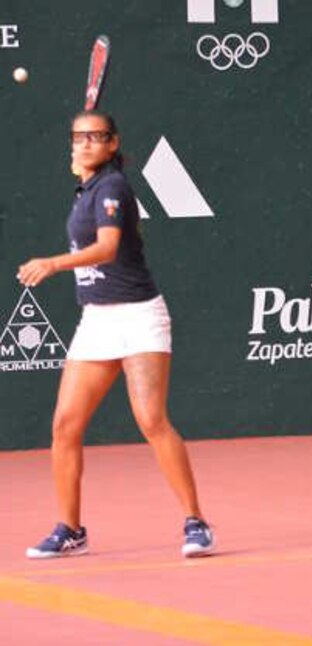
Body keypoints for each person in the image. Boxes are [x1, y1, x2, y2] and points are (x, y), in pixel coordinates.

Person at [18, 110, 215, 558]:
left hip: (139, 317)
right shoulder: (86, 188)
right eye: (79, 137)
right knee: (65, 427)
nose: (87, 143)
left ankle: (196, 522)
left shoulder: (113, 187)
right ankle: (71, 529)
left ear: (112, 144)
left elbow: (107, 249)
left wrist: (51, 264)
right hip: (97, 320)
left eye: (97, 136)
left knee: (151, 420)